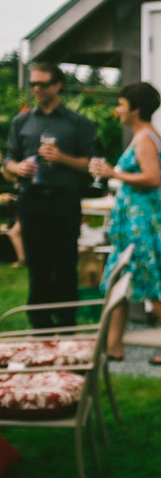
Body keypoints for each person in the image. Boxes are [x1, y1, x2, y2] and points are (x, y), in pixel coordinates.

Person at [89, 82, 161, 364]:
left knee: (149, 280)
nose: (118, 109)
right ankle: (113, 347)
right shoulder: (149, 136)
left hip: (141, 223)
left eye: (121, 104)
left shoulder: (146, 138)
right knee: (118, 280)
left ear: (135, 109)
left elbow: (153, 179)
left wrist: (113, 173)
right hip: (141, 220)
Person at [3, 63, 93, 329]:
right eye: (33, 84)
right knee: (37, 263)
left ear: (58, 86)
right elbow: (9, 159)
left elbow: (89, 163)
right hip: (31, 199)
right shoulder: (22, 121)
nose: (36, 89)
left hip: (64, 199)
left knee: (65, 262)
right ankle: (40, 324)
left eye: (42, 84)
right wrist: (17, 167)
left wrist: (62, 158)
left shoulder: (76, 123)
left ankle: (66, 322)